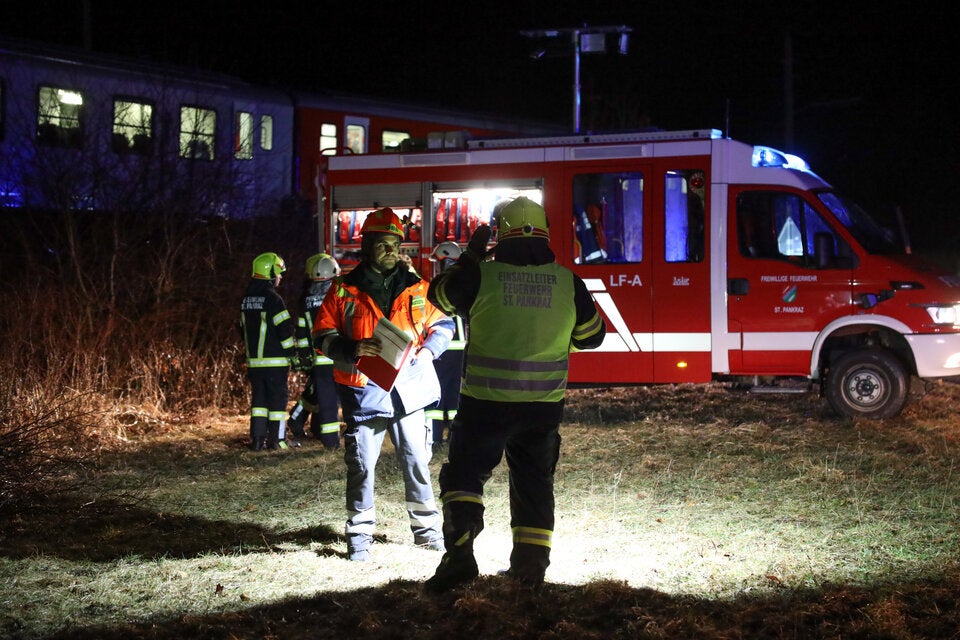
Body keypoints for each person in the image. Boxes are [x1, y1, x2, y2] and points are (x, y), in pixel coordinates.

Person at [424, 196, 606, 592]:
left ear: (500, 235)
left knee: (465, 477)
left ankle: (459, 558)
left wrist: (471, 255)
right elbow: (593, 337)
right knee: (534, 485)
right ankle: (529, 571)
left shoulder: (482, 276)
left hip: (484, 404)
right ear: (544, 233)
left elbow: (438, 296)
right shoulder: (567, 281)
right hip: (542, 408)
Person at [313, 207, 455, 561]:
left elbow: (443, 326)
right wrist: (351, 348)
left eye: (395, 244)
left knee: (417, 460)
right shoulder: (343, 291)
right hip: (365, 388)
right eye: (383, 244)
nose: (391, 251)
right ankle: (359, 536)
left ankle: (426, 531)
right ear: (367, 246)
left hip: (410, 387)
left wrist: (428, 353)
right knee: (362, 464)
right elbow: (322, 334)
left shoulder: (418, 287)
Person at [240, 252, 302, 451]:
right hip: (275, 363)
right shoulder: (273, 299)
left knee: (259, 401)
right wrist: (292, 353)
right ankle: (277, 440)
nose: (280, 277)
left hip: (254, 363)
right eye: (279, 273)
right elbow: (284, 331)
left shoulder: (246, 300)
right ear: (270, 272)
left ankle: (257, 441)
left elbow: (242, 329)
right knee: (277, 401)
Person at [288, 253, 343, 450]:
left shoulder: (306, 301)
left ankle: (330, 442)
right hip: (341, 357)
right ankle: (355, 438)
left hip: (319, 359)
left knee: (326, 401)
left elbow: (302, 333)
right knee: (348, 397)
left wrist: (304, 358)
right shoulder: (340, 295)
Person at [425, 241, 466, 450]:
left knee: (436, 393)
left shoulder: (439, 286)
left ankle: (434, 438)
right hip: (460, 348)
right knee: (455, 394)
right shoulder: (464, 285)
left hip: (441, 347)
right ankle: (456, 439)